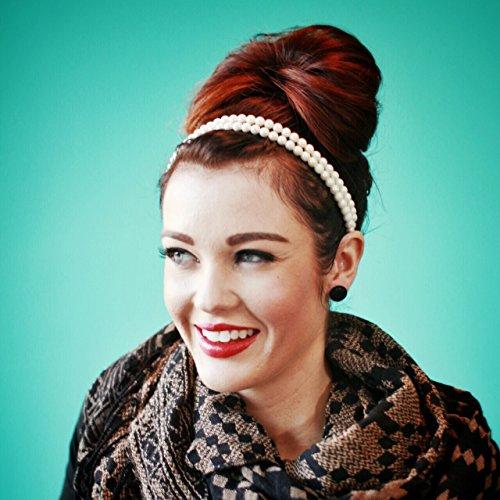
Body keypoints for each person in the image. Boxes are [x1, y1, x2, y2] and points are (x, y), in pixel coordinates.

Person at [61, 25, 499, 499]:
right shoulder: (113, 417)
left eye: (251, 255)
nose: (209, 299)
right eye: (181, 254)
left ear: (341, 262)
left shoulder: (455, 453)